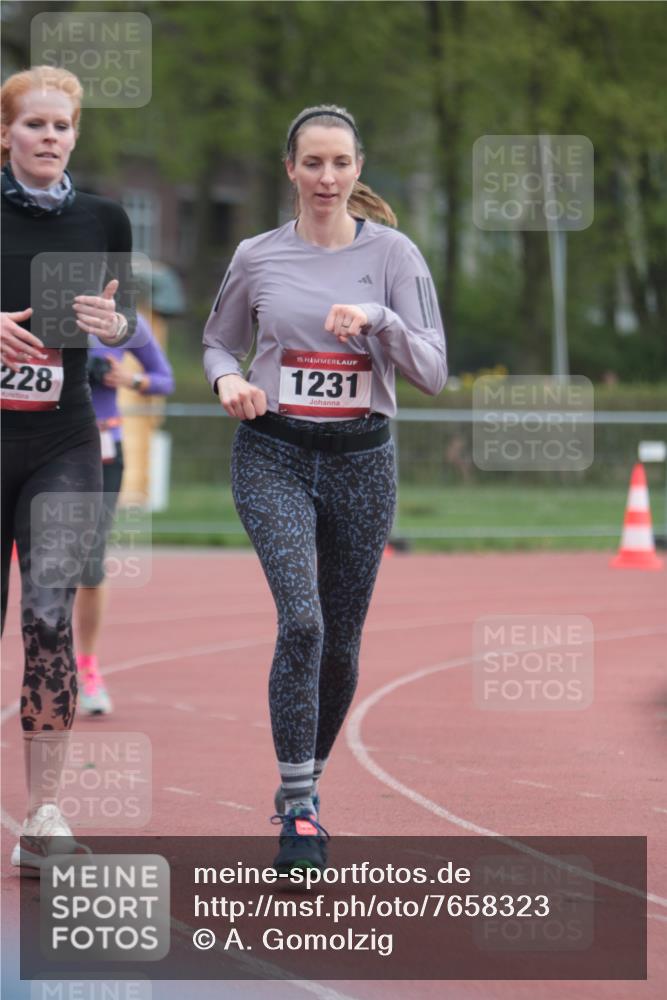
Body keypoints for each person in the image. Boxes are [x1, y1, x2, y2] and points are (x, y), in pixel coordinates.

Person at [203, 104, 447, 873]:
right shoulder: (257, 255)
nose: (326, 178)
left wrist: (377, 318)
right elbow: (216, 339)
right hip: (272, 454)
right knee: (302, 622)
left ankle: (303, 785)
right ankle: (301, 806)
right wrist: (227, 380)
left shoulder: (395, 256)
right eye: (312, 163)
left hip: (361, 462)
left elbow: (433, 372)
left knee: (341, 641)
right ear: (290, 170)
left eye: (339, 163)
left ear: (358, 169)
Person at [1, 66, 135, 873]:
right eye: (34, 124)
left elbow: (121, 325)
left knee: (49, 617)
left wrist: (113, 325)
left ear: (76, 134)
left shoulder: (104, 218)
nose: (50, 137)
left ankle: (42, 814)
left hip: (63, 439)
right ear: (5, 133)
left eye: (62, 125)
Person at [74, 313, 174, 715]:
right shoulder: (35, 310)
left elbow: (164, 379)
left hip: (103, 450)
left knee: (90, 566)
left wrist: (128, 380)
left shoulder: (125, 323)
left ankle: (88, 670)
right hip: (42, 446)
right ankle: (46, 663)